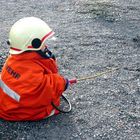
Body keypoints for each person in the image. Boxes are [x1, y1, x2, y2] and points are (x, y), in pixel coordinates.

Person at [0, 17, 69, 121]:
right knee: (49, 105)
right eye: (43, 43)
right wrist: (62, 83)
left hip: (7, 106)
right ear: (34, 44)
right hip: (18, 113)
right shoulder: (31, 69)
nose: (45, 46)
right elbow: (43, 87)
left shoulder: (14, 59)